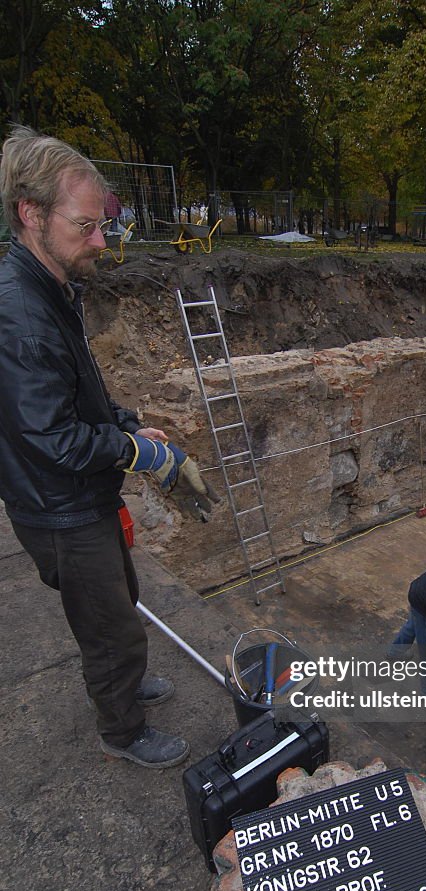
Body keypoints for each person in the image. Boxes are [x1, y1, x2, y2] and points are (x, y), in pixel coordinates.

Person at [0, 126, 218, 769]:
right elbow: (50, 437)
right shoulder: (18, 313)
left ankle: (125, 681)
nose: (101, 241)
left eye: (103, 225)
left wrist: (125, 423)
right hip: (58, 506)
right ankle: (121, 728)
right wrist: (138, 454)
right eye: (85, 226)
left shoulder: (50, 285)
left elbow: (75, 393)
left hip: (80, 495)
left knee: (120, 594)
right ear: (30, 214)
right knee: (109, 625)